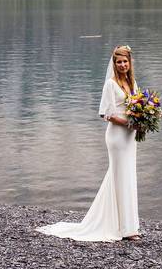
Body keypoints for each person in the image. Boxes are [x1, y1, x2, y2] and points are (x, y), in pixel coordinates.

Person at [36, 45, 144, 242]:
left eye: (125, 62)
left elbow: (138, 106)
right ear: (114, 63)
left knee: (127, 176)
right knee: (120, 175)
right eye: (118, 62)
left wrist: (143, 121)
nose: (122, 65)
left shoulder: (132, 83)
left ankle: (127, 225)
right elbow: (106, 113)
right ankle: (126, 230)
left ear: (130, 63)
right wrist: (130, 123)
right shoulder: (110, 84)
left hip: (130, 137)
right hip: (117, 136)